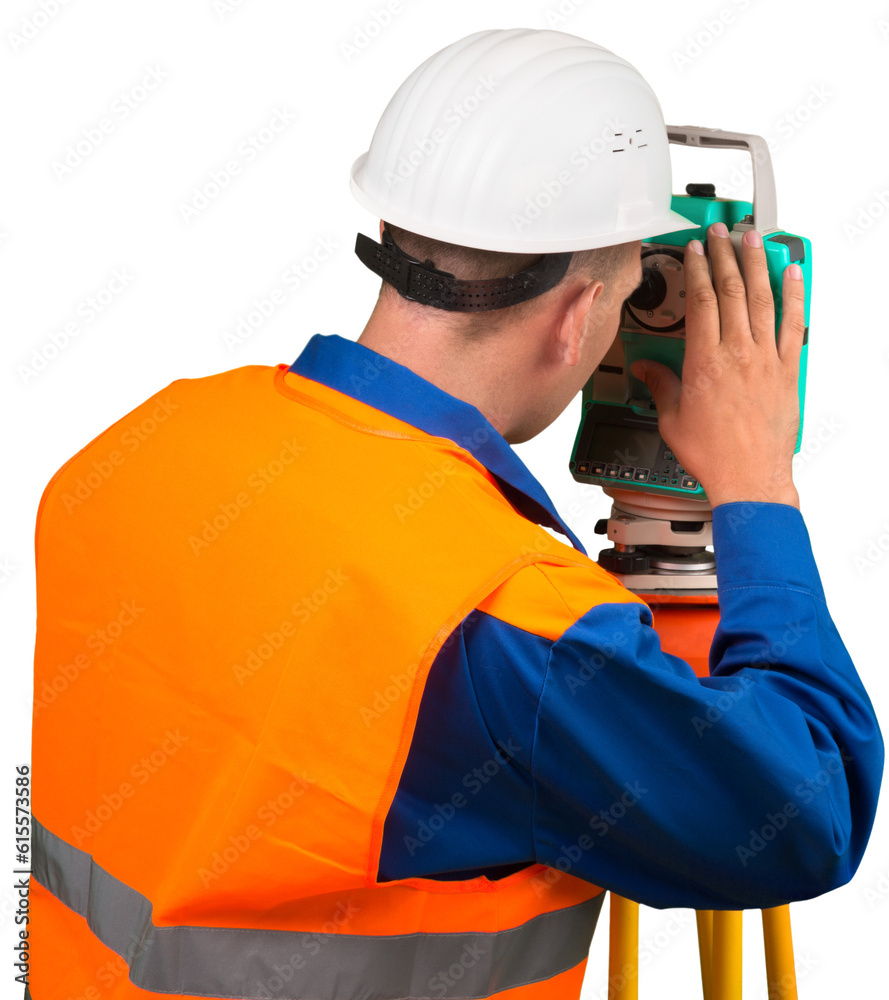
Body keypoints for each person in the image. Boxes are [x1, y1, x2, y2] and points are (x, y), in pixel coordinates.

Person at [27, 27, 882, 1000]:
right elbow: (806, 813)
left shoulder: (132, 451)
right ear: (576, 316)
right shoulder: (507, 625)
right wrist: (753, 483)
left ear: (396, 240)